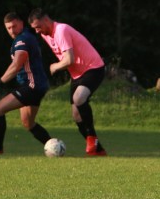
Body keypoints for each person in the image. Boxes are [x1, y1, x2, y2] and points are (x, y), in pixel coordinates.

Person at [28, 8, 108, 156]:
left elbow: (69, 60)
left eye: (38, 27)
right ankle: (98, 150)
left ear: (46, 20)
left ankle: (92, 137)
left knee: (79, 98)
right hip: (77, 75)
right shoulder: (46, 34)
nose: (37, 31)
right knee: (76, 115)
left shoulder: (61, 30)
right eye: (35, 29)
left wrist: (55, 66)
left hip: (93, 68)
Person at [0, 12, 52, 156]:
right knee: (28, 123)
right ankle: (54, 145)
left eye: (14, 26)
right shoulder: (26, 37)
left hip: (31, 86)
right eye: (8, 28)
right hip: (37, 85)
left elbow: (16, 65)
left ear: (21, 23)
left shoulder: (22, 40)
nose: (12, 30)